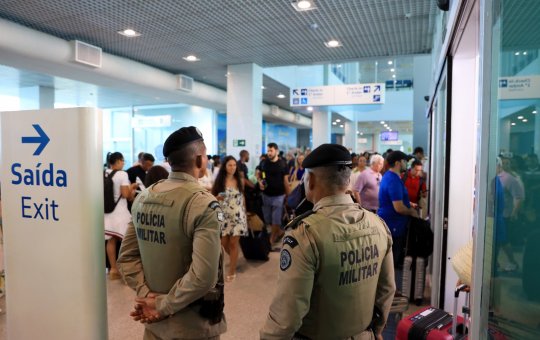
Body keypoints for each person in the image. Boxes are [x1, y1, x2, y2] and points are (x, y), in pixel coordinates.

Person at [260, 144, 396, 340]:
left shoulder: (304, 235)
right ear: (348, 180)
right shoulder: (379, 226)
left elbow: (287, 315)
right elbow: (386, 290)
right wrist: (376, 331)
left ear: (311, 180)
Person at [117, 126, 227, 340]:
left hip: (154, 325)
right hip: (191, 327)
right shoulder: (203, 204)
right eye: (205, 156)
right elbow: (204, 277)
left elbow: (127, 258)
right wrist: (161, 305)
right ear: (198, 160)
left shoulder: (144, 197)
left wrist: (147, 295)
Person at [212, 156, 248, 282]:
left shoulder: (240, 180)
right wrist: (217, 197)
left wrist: (245, 213)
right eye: (230, 165)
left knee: (233, 243)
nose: (232, 167)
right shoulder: (219, 181)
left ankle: (232, 270)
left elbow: (243, 197)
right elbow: (213, 196)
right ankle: (234, 258)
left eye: (234, 165)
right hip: (223, 214)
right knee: (223, 243)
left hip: (237, 215)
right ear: (225, 167)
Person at [104, 152, 138, 280]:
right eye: (122, 160)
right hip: (120, 213)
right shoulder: (122, 174)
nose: (124, 163)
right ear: (117, 161)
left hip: (107, 212)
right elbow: (125, 194)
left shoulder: (104, 173)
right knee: (127, 241)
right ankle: (127, 271)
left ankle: (113, 270)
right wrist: (132, 187)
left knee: (111, 240)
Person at [257, 143, 290, 247]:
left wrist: (288, 195)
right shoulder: (264, 163)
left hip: (279, 195)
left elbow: (286, 181)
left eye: (271, 151)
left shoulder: (283, 164)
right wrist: (260, 181)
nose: (269, 153)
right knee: (268, 219)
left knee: (276, 218)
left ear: (276, 151)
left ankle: (271, 239)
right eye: (268, 151)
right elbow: (260, 174)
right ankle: (279, 232)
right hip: (266, 195)